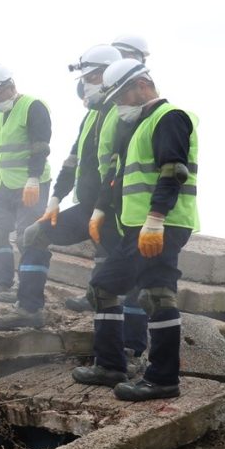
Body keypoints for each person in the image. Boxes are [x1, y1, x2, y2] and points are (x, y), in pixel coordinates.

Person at [71, 59, 198, 401]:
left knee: (156, 294)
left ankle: (163, 379)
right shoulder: (137, 124)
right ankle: (110, 365)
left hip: (162, 225)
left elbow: (173, 171)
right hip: (136, 227)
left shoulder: (169, 118)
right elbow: (116, 174)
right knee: (103, 286)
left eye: (120, 97)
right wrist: (100, 209)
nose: (117, 106)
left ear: (142, 85)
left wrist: (156, 218)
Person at [0, 45, 122, 330]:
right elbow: (72, 161)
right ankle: (29, 309)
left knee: (112, 281)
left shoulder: (122, 115)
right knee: (34, 233)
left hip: (115, 210)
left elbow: (117, 169)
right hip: (88, 207)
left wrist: (101, 208)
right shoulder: (92, 116)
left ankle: (124, 351)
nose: (86, 85)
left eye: (92, 77)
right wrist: (56, 199)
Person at [0, 65, 52, 303]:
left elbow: (41, 146)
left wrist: (33, 179)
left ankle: (28, 292)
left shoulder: (33, 107)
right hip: (3, 184)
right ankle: (3, 284)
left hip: (30, 185)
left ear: (10, 87)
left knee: (27, 237)